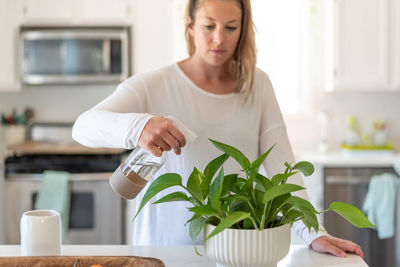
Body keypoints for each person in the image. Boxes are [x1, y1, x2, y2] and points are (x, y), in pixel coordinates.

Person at [73, 0, 364, 258]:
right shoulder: (155, 84)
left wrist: (315, 233)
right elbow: (83, 126)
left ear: (243, 29)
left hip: (235, 249)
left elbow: (282, 167)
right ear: (190, 26)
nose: (219, 39)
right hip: (163, 251)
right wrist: (138, 125)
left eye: (231, 27)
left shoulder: (257, 85)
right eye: (209, 26)